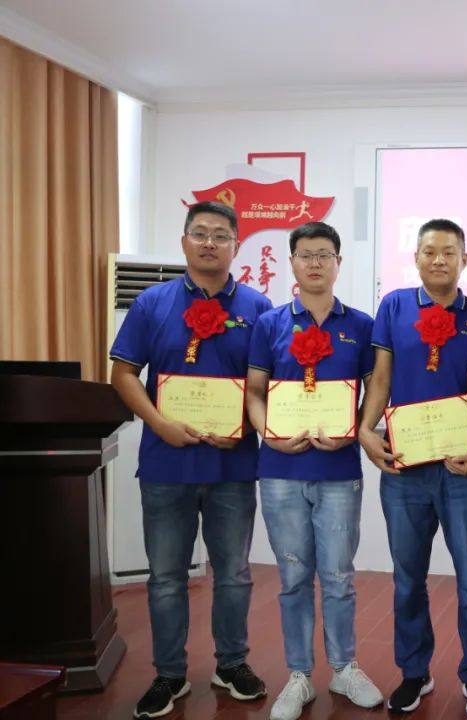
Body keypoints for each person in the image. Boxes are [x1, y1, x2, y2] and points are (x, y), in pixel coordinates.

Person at [110, 201, 270, 718]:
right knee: (166, 577)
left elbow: (268, 385)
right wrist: (159, 424)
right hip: (166, 464)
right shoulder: (151, 302)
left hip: (232, 466)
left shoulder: (258, 306)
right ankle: (169, 674)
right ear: (183, 242)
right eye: (199, 233)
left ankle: (232, 663)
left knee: (235, 573)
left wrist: (245, 424)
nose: (209, 243)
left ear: (235, 246)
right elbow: (123, 374)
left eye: (220, 235)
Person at [359, 219, 467, 715]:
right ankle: (414, 671)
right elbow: (381, 377)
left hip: (463, 470)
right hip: (405, 468)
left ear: (465, 259)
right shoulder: (395, 306)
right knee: (407, 578)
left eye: (449, 252)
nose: (439, 259)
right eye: (429, 251)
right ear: (415, 257)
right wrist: (365, 429)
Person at [245, 221, 382, 720]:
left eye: (325, 254)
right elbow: (254, 391)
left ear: (338, 263)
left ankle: (344, 668)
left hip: (339, 471)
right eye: (306, 254)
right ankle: (299, 675)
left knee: (339, 576)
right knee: (293, 576)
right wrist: (269, 434)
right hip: (280, 470)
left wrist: (356, 431)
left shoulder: (361, 325)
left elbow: (375, 389)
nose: (315, 263)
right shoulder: (270, 324)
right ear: (293, 263)